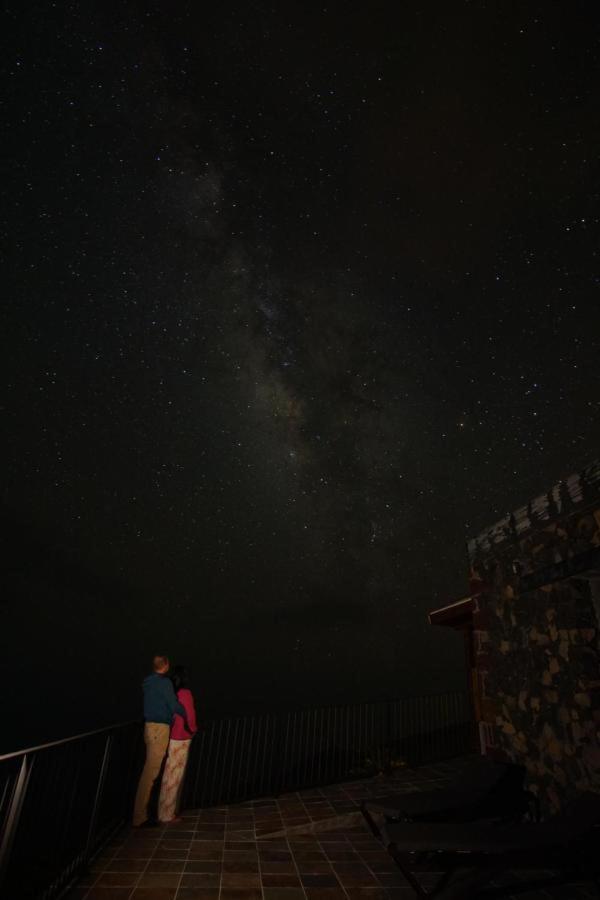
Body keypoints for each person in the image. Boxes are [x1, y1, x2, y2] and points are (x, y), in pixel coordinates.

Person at [133, 654, 186, 827]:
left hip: (149, 728)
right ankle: (140, 817)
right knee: (151, 773)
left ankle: (141, 814)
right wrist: (184, 712)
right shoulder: (164, 683)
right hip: (159, 729)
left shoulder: (148, 683)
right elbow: (173, 705)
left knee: (149, 771)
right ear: (166, 666)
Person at [158, 665, 197, 823]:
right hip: (182, 738)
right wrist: (193, 729)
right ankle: (167, 815)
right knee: (175, 776)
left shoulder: (171, 694)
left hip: (171, 736)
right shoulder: (186, 694)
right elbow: (190, 715)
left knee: (168, 775)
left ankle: (162, 812)